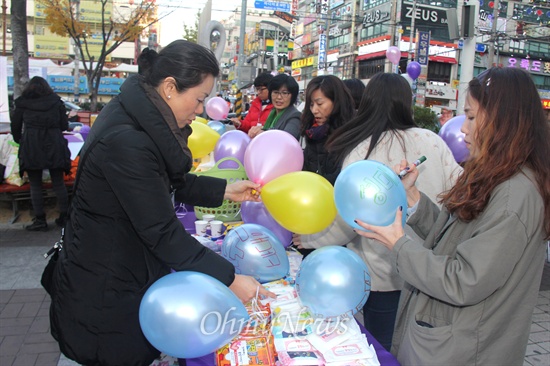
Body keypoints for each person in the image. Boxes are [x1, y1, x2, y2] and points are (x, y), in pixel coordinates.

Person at [48, 40, 275, 366]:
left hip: (114, 270)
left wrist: (225, 190)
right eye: (198, 99)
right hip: (105, 286)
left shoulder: (137, 114)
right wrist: (230, 278)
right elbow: (161, 232)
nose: (200, 110)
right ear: (170, 87)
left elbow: (165, 182)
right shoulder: (129, 140)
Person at [355, 67, 550, 365]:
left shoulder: (514, 192)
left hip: (465, 347)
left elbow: (464, 280)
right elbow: (461, 238)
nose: (463, 129)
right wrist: (414, 198)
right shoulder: (496, 174)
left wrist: (399, 245)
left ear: (503, 120)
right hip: (449, 337)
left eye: (471, 117)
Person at [294, 72, 461, 350]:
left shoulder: (362, 151)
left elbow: (350, 218)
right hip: (431, 269)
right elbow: (458, 193)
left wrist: (311, 239)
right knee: (420, 345)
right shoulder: (433, 142)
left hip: (384, 275)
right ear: (406, 103)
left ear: (368, 104)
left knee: (382, 348)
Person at [10, 76, 71, 231]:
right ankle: (65, 217)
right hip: (54, 143)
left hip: (32, 144)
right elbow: (64, 125)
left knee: (35, 184)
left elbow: (15, 126)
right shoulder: (56, 102)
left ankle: (40, 220)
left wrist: (21, 141)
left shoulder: (23, 103)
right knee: (58, 182)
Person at [300, 75, 355, 185]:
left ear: (336, 102)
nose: (314, 110)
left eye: (319, 104)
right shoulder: (312, 133)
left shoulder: (351, 135)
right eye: (311, 105)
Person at [248, 73, 301, 140]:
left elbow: (286, 139)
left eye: (284, 93)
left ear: (292, 96)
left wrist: (264, 133)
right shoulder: (273, 113)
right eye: (275, 92)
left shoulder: (294, 116)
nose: (279, 97)